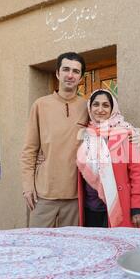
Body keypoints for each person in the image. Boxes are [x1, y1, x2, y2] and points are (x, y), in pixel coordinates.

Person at [20, 52, 88, 228]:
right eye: (66, 69)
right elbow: (29, 150)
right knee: (37, 247)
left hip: (76, 197)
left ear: (81, 77)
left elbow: (110, 131)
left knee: (72, 249)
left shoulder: (87, 107)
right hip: (43, 196)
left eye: (75, 71)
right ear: (58, 73)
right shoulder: (40, 105)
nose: (70, 75)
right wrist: (28, 186)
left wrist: (134, 137)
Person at [76, 89, 140, 228]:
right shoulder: (86, 134)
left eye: (105, 105)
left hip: (118, 203)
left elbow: (137, 173)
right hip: (90, 206)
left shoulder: (126, 132)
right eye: (95, 104)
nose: (100, 109)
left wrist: (138, 207)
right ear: (90, 108)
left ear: (112, 108)